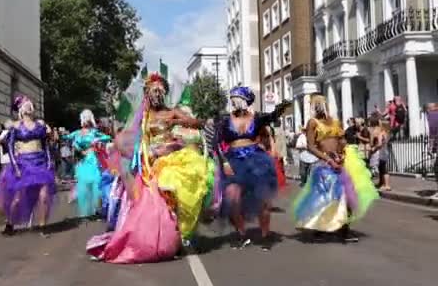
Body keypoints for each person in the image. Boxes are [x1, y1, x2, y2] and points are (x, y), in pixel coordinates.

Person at [87, 72, 212, 263]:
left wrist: (176, 121)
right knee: (156, 204)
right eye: (152, 92)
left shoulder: (172, 111)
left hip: (174, 158)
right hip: (151, 162)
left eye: (159, 91)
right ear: (147, 95)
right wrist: (110, 146)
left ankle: (177, 237)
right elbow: (128, 137)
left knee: (177, 193)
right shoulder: (144, 117)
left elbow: (197, 123)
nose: (156, 95)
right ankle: (164, 239)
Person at [292, 94, 379, 242]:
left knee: (347, 194)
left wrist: (342, 153)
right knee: (326, 197)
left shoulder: (335, 121)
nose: (319, 108)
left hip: (340, 161)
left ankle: (344, 229)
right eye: (316, 105)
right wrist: (327, 158)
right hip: (324, 164)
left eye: (321, 104)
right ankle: (321, 227)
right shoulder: (312, 123)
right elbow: (311, 146)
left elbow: (342, 139)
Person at [216, 86, 289, 251]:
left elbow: (271, 117)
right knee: (232, 198)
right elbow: (217, 143)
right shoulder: (225, 120)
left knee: (263, 201)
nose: (233, 102)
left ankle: (265, 235)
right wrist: (224, 162)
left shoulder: (256, 118)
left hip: (256, 160)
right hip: (234, 160)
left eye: (236, 98)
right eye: (232, 98)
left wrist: (280, 108)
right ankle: (241, 233)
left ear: (244, 100)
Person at [0, 96, 55, 236]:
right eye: (25, 105)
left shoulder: (40, 125)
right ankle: (10, 223)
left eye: (30, 105)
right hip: (23, 164)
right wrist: (16, 167)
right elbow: (9, 147)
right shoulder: (15, 126)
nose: (28, 107)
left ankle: (43, 227)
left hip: (40, 164)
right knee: (18, 198)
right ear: (20, 110)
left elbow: (46, 146)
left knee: (44, 196)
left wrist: (49, 161)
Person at [62, 110, 111, 218]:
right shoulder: (77, 133)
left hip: (93, 159)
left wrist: (98, 139)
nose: (85, 121)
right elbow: (66, 138)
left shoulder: (94, 132)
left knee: (96, 183)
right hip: (82, 161)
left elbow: (107, 137)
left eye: (87, 119)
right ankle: (86, 212)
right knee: (83, 185)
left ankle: (96, 210)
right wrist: (75, 145)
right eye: (84, 119)